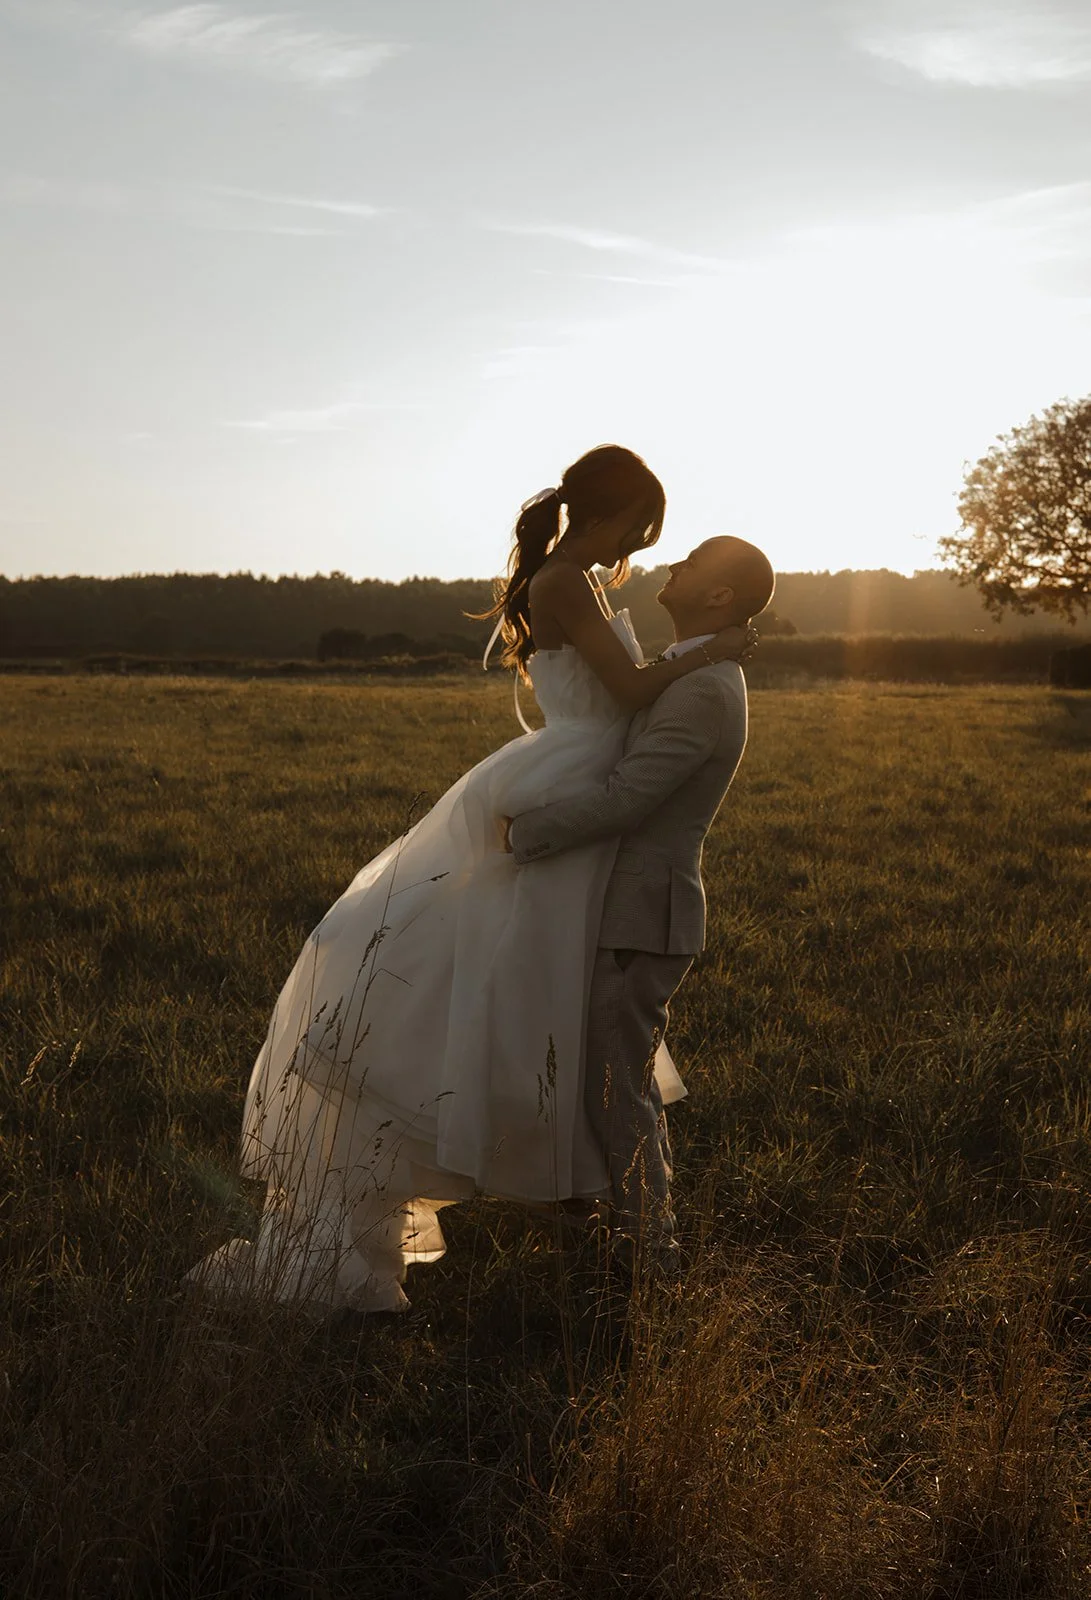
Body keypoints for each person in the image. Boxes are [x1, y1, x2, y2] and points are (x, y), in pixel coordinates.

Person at [186, 444, 751, 1315]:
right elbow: (631, 688)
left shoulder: (587, 587)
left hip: (586, 792)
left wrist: (707, 657)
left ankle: (597, 1215)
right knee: (527, 1007)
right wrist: (714, 651)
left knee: (556, 1017)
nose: (640, 550)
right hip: (570, 780)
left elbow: (633, 713)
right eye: (639, 529)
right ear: (611, 512)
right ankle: (601, 1222)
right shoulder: (567, 583)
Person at [506, 534, 775, 1268]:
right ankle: (619, 1229)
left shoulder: (704, 688)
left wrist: (521, 831)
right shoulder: (691, 670)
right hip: (624, 908)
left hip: (643, 913)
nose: (675, 564)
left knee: (616, 1088)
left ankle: (652, 1254)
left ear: (718, 595)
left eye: (694, 561)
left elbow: (628, 799)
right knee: (612, 1081)